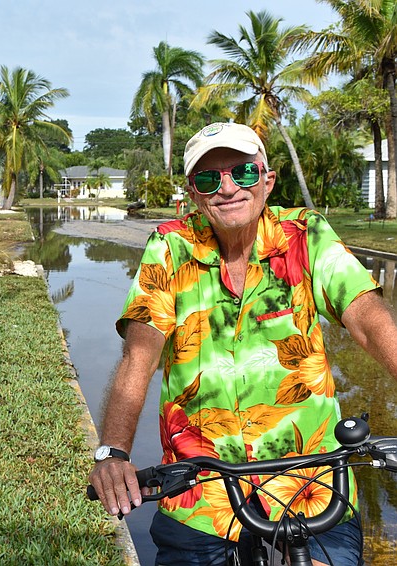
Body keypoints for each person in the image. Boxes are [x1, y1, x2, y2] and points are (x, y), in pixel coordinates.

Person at [89, 122, 397, 565]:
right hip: (201, 487)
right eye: (209, 179)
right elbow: (141, 353)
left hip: (312, 483)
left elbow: (367, 317)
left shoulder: (306, 235)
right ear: (194, 194)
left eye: (244, 173)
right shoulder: (170, 246)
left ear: (267, 181)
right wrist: (113, 451)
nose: (228, 188)